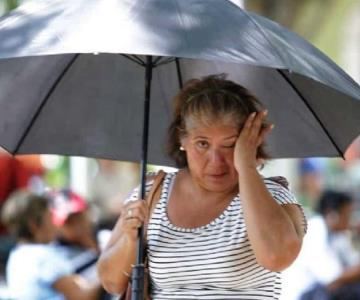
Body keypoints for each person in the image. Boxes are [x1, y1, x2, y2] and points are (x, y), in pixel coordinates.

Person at [97, 74, 306, 299]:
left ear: (250, 141)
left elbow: (277, 258)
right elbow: (110, 282)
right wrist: (130, 238)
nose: (216, 160)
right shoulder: (151, 193)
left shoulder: (273, 196)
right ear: (182, 139)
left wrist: (246, 166)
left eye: (230, 145)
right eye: (202, 144)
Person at [1, 190, 102, 300]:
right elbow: (82, 296)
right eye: (49, 217)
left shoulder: (17, 256)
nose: (54, 224)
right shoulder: (43, 257)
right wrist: (109, 272)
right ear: (33, 225)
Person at [281, 190, 360, 300]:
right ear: (332, 214)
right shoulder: (315, 229)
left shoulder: (337, 235)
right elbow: (330, 278)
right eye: (347, 214)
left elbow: (350, 265)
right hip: (304, 293)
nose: (350, 220)